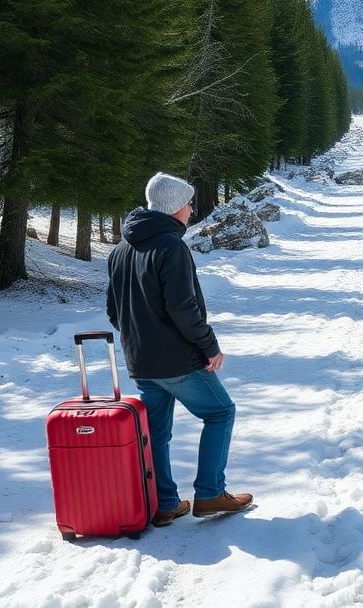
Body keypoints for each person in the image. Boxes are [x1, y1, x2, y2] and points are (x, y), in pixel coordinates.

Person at [107, 171, 253, 525]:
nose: (191, 209)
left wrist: (141, 339)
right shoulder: (171, 247)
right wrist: (209, 347)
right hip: (178, 361)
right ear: (174, 207)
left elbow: (115, 310)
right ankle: (209, 494)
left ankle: (166, 503)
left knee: (156, 432)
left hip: (141, 362)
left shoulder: (121, 249)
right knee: (220, 413)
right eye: (188, 203)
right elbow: (182, 307)